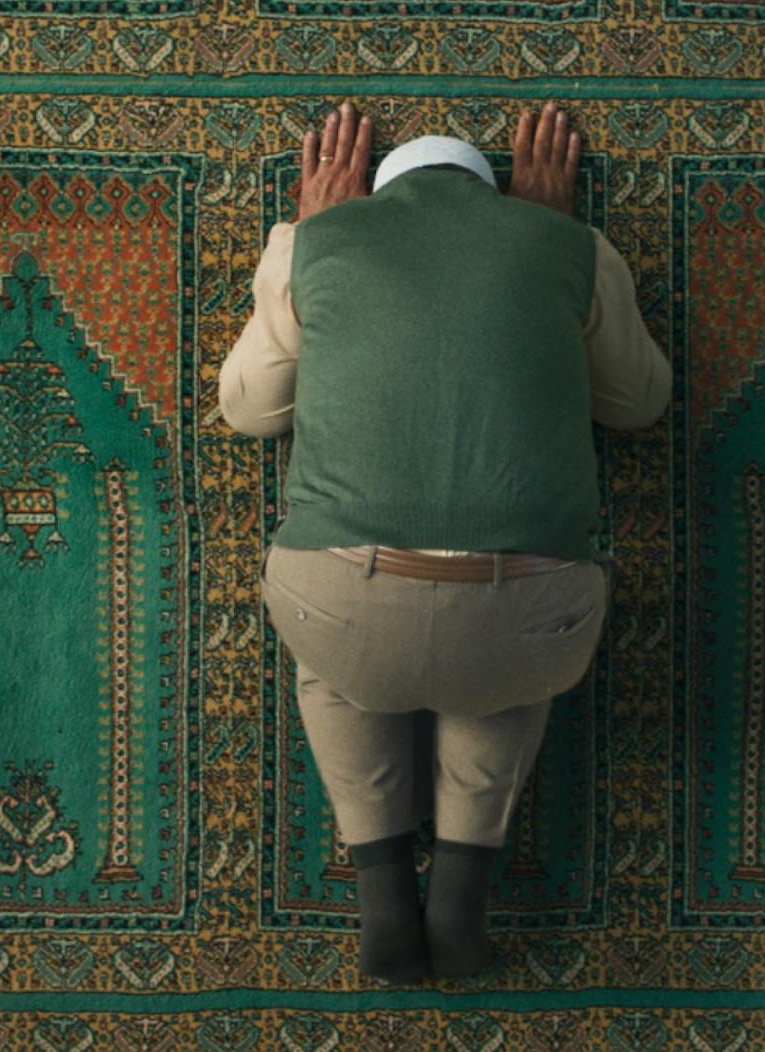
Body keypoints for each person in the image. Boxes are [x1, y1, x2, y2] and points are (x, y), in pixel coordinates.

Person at [218, 100, 671, 983]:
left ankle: (383, 886)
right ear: (497, 189)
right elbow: (639, 403)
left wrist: (310, 246)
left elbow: (248, 411)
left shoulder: (312, 242)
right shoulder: (570, 247)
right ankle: (463, 883)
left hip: (343, 599)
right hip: (526, 609)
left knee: (335, 663)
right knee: (507, 660)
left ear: (366, 189)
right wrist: (550, 246)